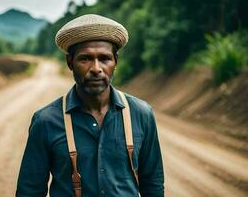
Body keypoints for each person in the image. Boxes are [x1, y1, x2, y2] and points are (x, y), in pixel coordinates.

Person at [16, 14, 164, 197]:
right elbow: (29, 191)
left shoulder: (142, 114)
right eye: (85, 59)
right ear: (70, 62)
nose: (96, 68)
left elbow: (153, 183)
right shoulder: (45, 121)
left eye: (104, 58)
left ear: (115, 61)